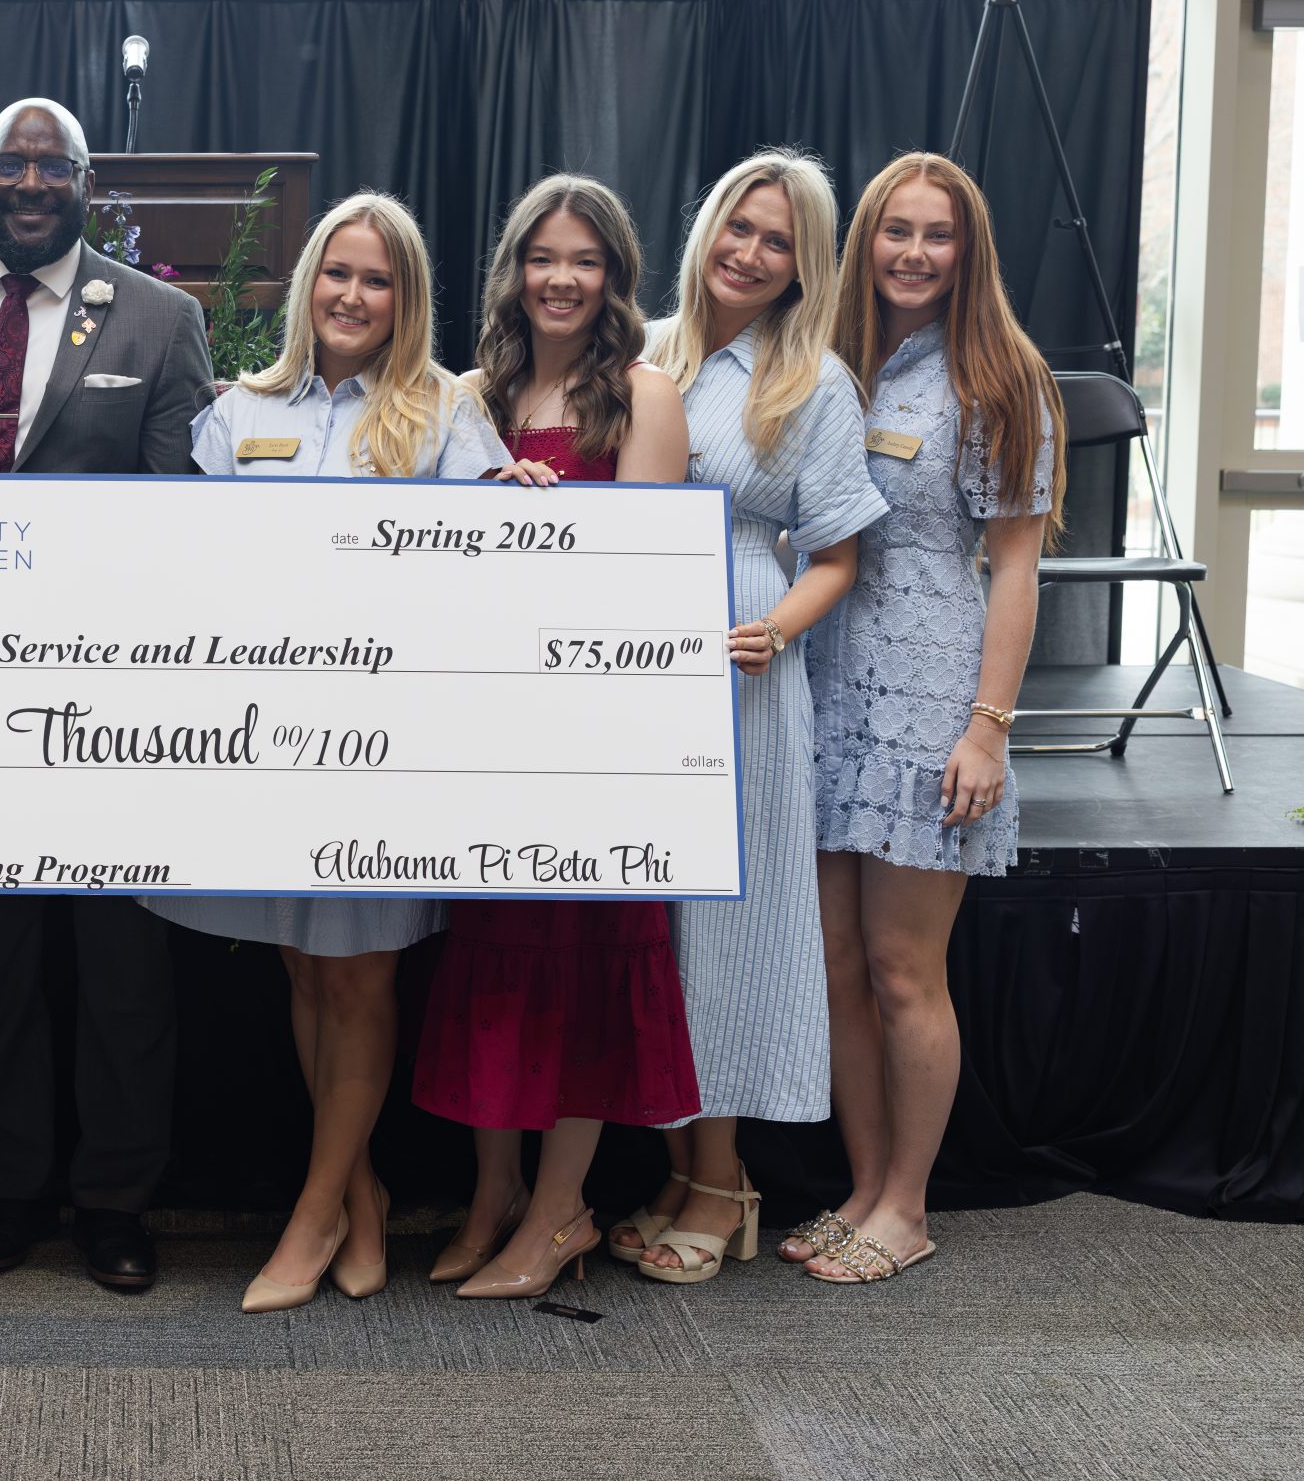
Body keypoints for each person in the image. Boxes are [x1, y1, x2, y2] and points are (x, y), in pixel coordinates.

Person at [0, 96, 214, 1292]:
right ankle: (7, 1191)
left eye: (48, 165)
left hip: (113, 706)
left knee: (124, 971)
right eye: (7, 164)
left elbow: (186, 520)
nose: (26, 182)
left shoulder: (164, 319)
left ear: (84, 179)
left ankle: (115, 1199)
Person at [154, 191, 509, 1312]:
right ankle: (356, 1193)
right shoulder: (238, 410)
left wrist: (520, 504)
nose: (353, 297)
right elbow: (184, 564)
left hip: (383, 747)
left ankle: (310, 1219)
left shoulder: (449, 414)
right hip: (264, 743)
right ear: (307, 283)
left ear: (405, 298)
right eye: (336, 274)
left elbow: (490, 568)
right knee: (303, 965)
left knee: (359, 974)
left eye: (378, 279)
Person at [412, 174, 702, 1299]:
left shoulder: (644, 393)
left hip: (598, 740)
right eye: (542, 256)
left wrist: (542, 523)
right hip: (493, 729)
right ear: (513, 270)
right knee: (495, 958)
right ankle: (489, 1196)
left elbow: (638, 584)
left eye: (583, 259)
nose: (560, 278)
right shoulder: (471, 394)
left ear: (615, 276)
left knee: (583, 968)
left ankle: (559, 1209)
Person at [788, 153, 1062, 1284]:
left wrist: (986, 727)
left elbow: (1015, 568)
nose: (911, 253)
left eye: (935, 235)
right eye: (893, 231)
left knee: (906, 968)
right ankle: (861, 1187)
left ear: (968, 251)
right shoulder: (835, 366)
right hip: (823, 691)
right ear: (865, 243)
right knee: (839, 964)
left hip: (929, 703)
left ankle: (908, 1204)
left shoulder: (1001, 375)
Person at [626, 149, 889, 1286]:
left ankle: (723, 1177)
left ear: (803, 265)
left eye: (775, 241)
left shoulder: (814, 381)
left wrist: (775, 631)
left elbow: (838, 556)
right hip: (625, 660)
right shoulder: (641, 348)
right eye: (738, 226)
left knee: (727, 926)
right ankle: (680, 1172)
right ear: (705, 228)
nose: (747, 251)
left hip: (739, 663)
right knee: (659, 922)